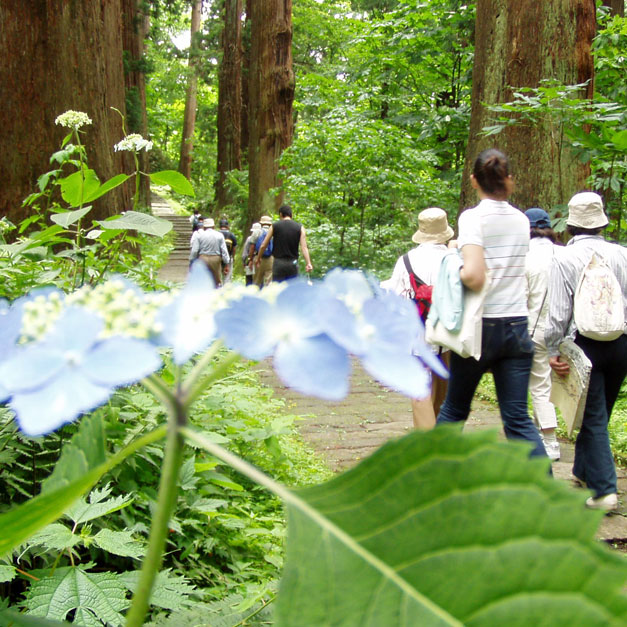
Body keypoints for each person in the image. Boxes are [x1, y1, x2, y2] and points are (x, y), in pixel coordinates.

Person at [436, 148, 547, 460]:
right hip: (516, 326)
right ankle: (545, 495)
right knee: (517, 420)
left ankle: (429, 485)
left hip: (480, 328)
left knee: (455, 409)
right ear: (509, 180)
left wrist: (451, 267)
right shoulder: (521, 220)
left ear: (474, 180)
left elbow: (474, 276)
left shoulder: (472, 218)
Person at [545, 191, 627, 512]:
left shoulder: (563, 258)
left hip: (584, 344)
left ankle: (606, 491)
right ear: (602, 221)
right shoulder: (622, 254)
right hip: (620, 344)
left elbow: (558, 312)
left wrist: (553, 348)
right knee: (599, 413)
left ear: (571, 224)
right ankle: (582, 471)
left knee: (593, 418)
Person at [382, 207, 453, 430]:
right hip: (449, 331)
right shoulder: (453, 259)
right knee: (444, 388)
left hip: (419, 331)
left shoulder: (406, 261)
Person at [524, 208, 561, 461]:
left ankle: (550, 441)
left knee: (539, 385)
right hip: (569, 332)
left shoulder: (523, 258)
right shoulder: (566, 254)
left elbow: (521, 299)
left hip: (536, 330)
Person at [256, 205, 313, 282]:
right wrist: (308, 263)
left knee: (278, 289)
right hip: (293, 263)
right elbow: (304, 247)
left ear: (280, 214)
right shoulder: (300, 227)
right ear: (291, 215)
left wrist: (259, 258)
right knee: (292, 289)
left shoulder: (274, 226)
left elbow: (263, 245)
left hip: (278, 263)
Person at [189, 218, 230, 287]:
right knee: (216, 280)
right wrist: (226, 263)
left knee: (203, 279)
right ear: (213, 226)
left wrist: (192, 261)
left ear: (204, 227)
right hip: (216, 259)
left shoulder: (199, 236)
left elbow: (195, 250)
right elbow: (224, 251)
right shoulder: (219, 235)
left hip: (203, 258)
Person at [252, 215, 274, 288]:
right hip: (270, 259)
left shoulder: (257, 232)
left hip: (258, 258)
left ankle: (255, 297)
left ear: (261, 224)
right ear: (270, 224)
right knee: (269, 282)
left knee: (256, 281)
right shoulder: (274, 232)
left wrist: (251, 258)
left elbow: (252, 246)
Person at [219, 218, 237, 283]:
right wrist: (233, 257)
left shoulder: (217, 234)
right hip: (229, 258)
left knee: (218, 276)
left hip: (218, 258)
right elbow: (234, 248)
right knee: (227, 277)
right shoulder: (231, 235)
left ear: (220, 226)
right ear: (227, 226)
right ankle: (226, 290)